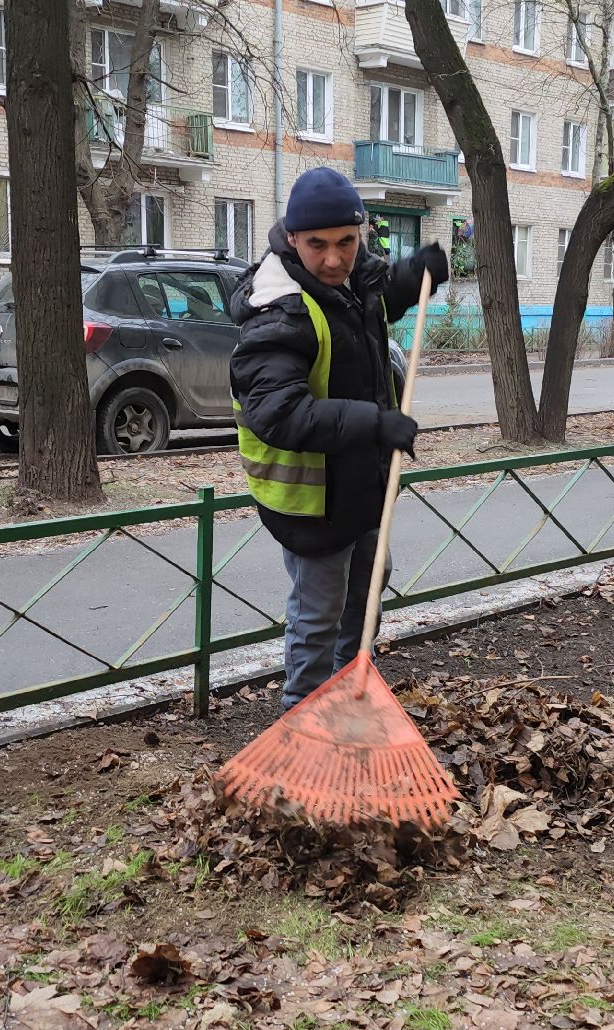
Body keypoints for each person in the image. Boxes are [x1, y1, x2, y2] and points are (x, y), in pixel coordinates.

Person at [228, 167, 449, 709]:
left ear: (362, 233)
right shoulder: (278, 311)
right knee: (318, 615)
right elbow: (280, 413)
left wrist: (412, 276)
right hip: (311, 503)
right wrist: (375, 423)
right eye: (318, 245)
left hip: (361, 485)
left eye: (347, 243)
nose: (334, 259)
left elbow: (367, 307)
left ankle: (350, 692)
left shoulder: (351, 278)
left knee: (371, 586)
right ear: (292, 238)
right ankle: (302, 722)